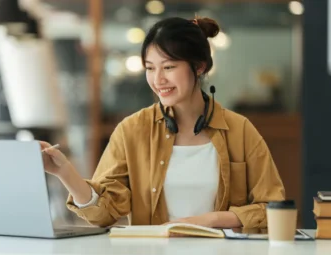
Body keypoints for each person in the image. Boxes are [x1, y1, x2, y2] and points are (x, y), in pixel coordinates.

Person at [40, 17, 285, 229]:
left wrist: (212, 220)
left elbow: (274, 208)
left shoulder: (240, 130)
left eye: (169, 67)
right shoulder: (132, 130)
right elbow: (104, 214)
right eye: (150, 68)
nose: (158, 80)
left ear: (199, 67)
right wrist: (65, 172)